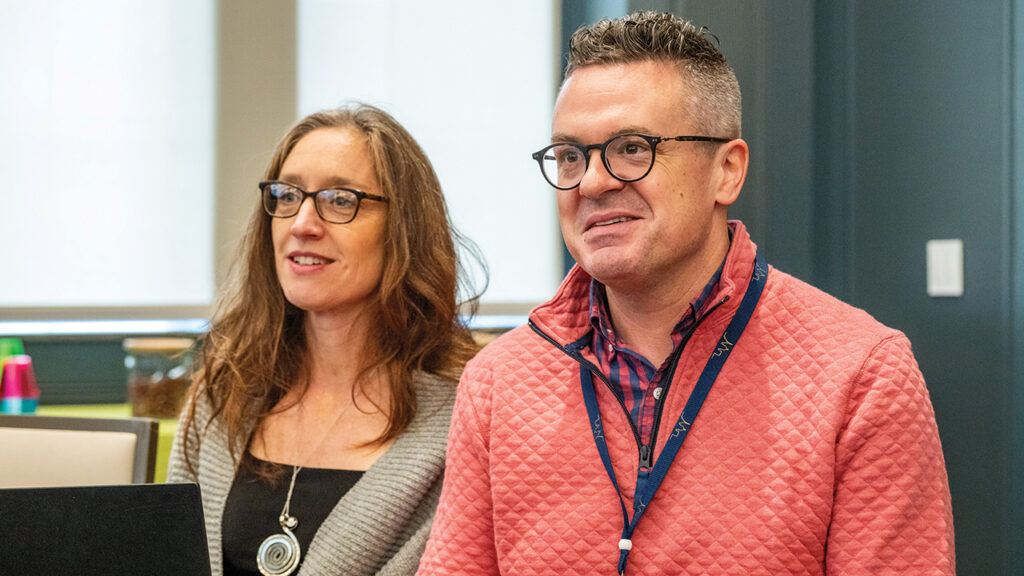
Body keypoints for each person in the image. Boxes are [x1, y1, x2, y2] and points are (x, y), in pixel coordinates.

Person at [417, 11, 954, 576]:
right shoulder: (499, 382)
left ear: (726, 171)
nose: (594, 182)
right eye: (571, 156)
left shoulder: (862, 374)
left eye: (631, 148)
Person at [167, 103, 481, 576]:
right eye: (287, 195)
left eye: (339, 200)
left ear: (404, 228)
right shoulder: (222, 392)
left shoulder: (466, 416)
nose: (302, 224)